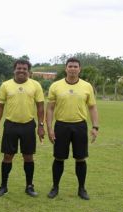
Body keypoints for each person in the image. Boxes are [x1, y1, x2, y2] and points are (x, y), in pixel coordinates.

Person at [46, 57, 99, 200]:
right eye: (70, 66)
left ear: (79, 69)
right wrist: (49, 128)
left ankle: (82, 189)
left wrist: (95, 126)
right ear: (66, 68)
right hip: (61, 125)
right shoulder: (56, 86)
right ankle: (55, 187)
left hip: (80, 125)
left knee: (81, 158)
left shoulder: (87, 86)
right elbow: (50, 108)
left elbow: (92, 107)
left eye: (76, 66)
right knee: (59, 158)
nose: (73, 69)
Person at [0, 59, 45, 197]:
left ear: (29, 71)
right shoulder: (5, 85)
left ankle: (29, 186)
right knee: (7, 156)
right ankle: (3, 186)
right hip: (11, 125)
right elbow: (0, 106)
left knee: (28, 156)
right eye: (19, 68)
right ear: (14, 70)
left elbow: (40, 107)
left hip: (28, 125)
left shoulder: (35, 85)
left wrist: (41, 126)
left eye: (24, 69)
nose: (21, 71)